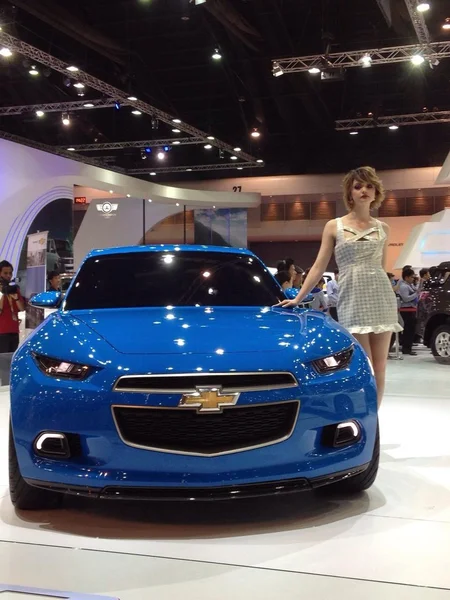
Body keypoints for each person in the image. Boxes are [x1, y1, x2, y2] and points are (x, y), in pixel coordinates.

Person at [276, 166, 402, 407]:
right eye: (358, 186)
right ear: (350, 193)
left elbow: (381, 267)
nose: (364, 190)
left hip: (381, 298)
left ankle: (374, 420)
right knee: (362, 364)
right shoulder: (334, 226)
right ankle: (361, 416)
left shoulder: (383, 228)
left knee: (381, 367)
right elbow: (317, 266)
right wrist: (298, 297)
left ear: (376, 192)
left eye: (368, 186)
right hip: (353, 298)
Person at [0, 260, 25, 354]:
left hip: (14, 330)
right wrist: (2, 293)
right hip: (1, 332)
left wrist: (16, 298)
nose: (8, 276)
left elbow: (21, 308)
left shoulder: (14, 288)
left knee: (10, 360)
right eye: (5, 273)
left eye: (10, 273)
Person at [398, 268, 419, 356]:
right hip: (406, 310)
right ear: (406, 277)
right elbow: (406, 298)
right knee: (408, 329)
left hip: (410, 309)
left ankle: (408, 347)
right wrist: (416, 294)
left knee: (411, 329)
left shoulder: (409, 285)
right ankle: (406, 348)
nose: (412, 279)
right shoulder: (403, 286)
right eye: (411, 277)